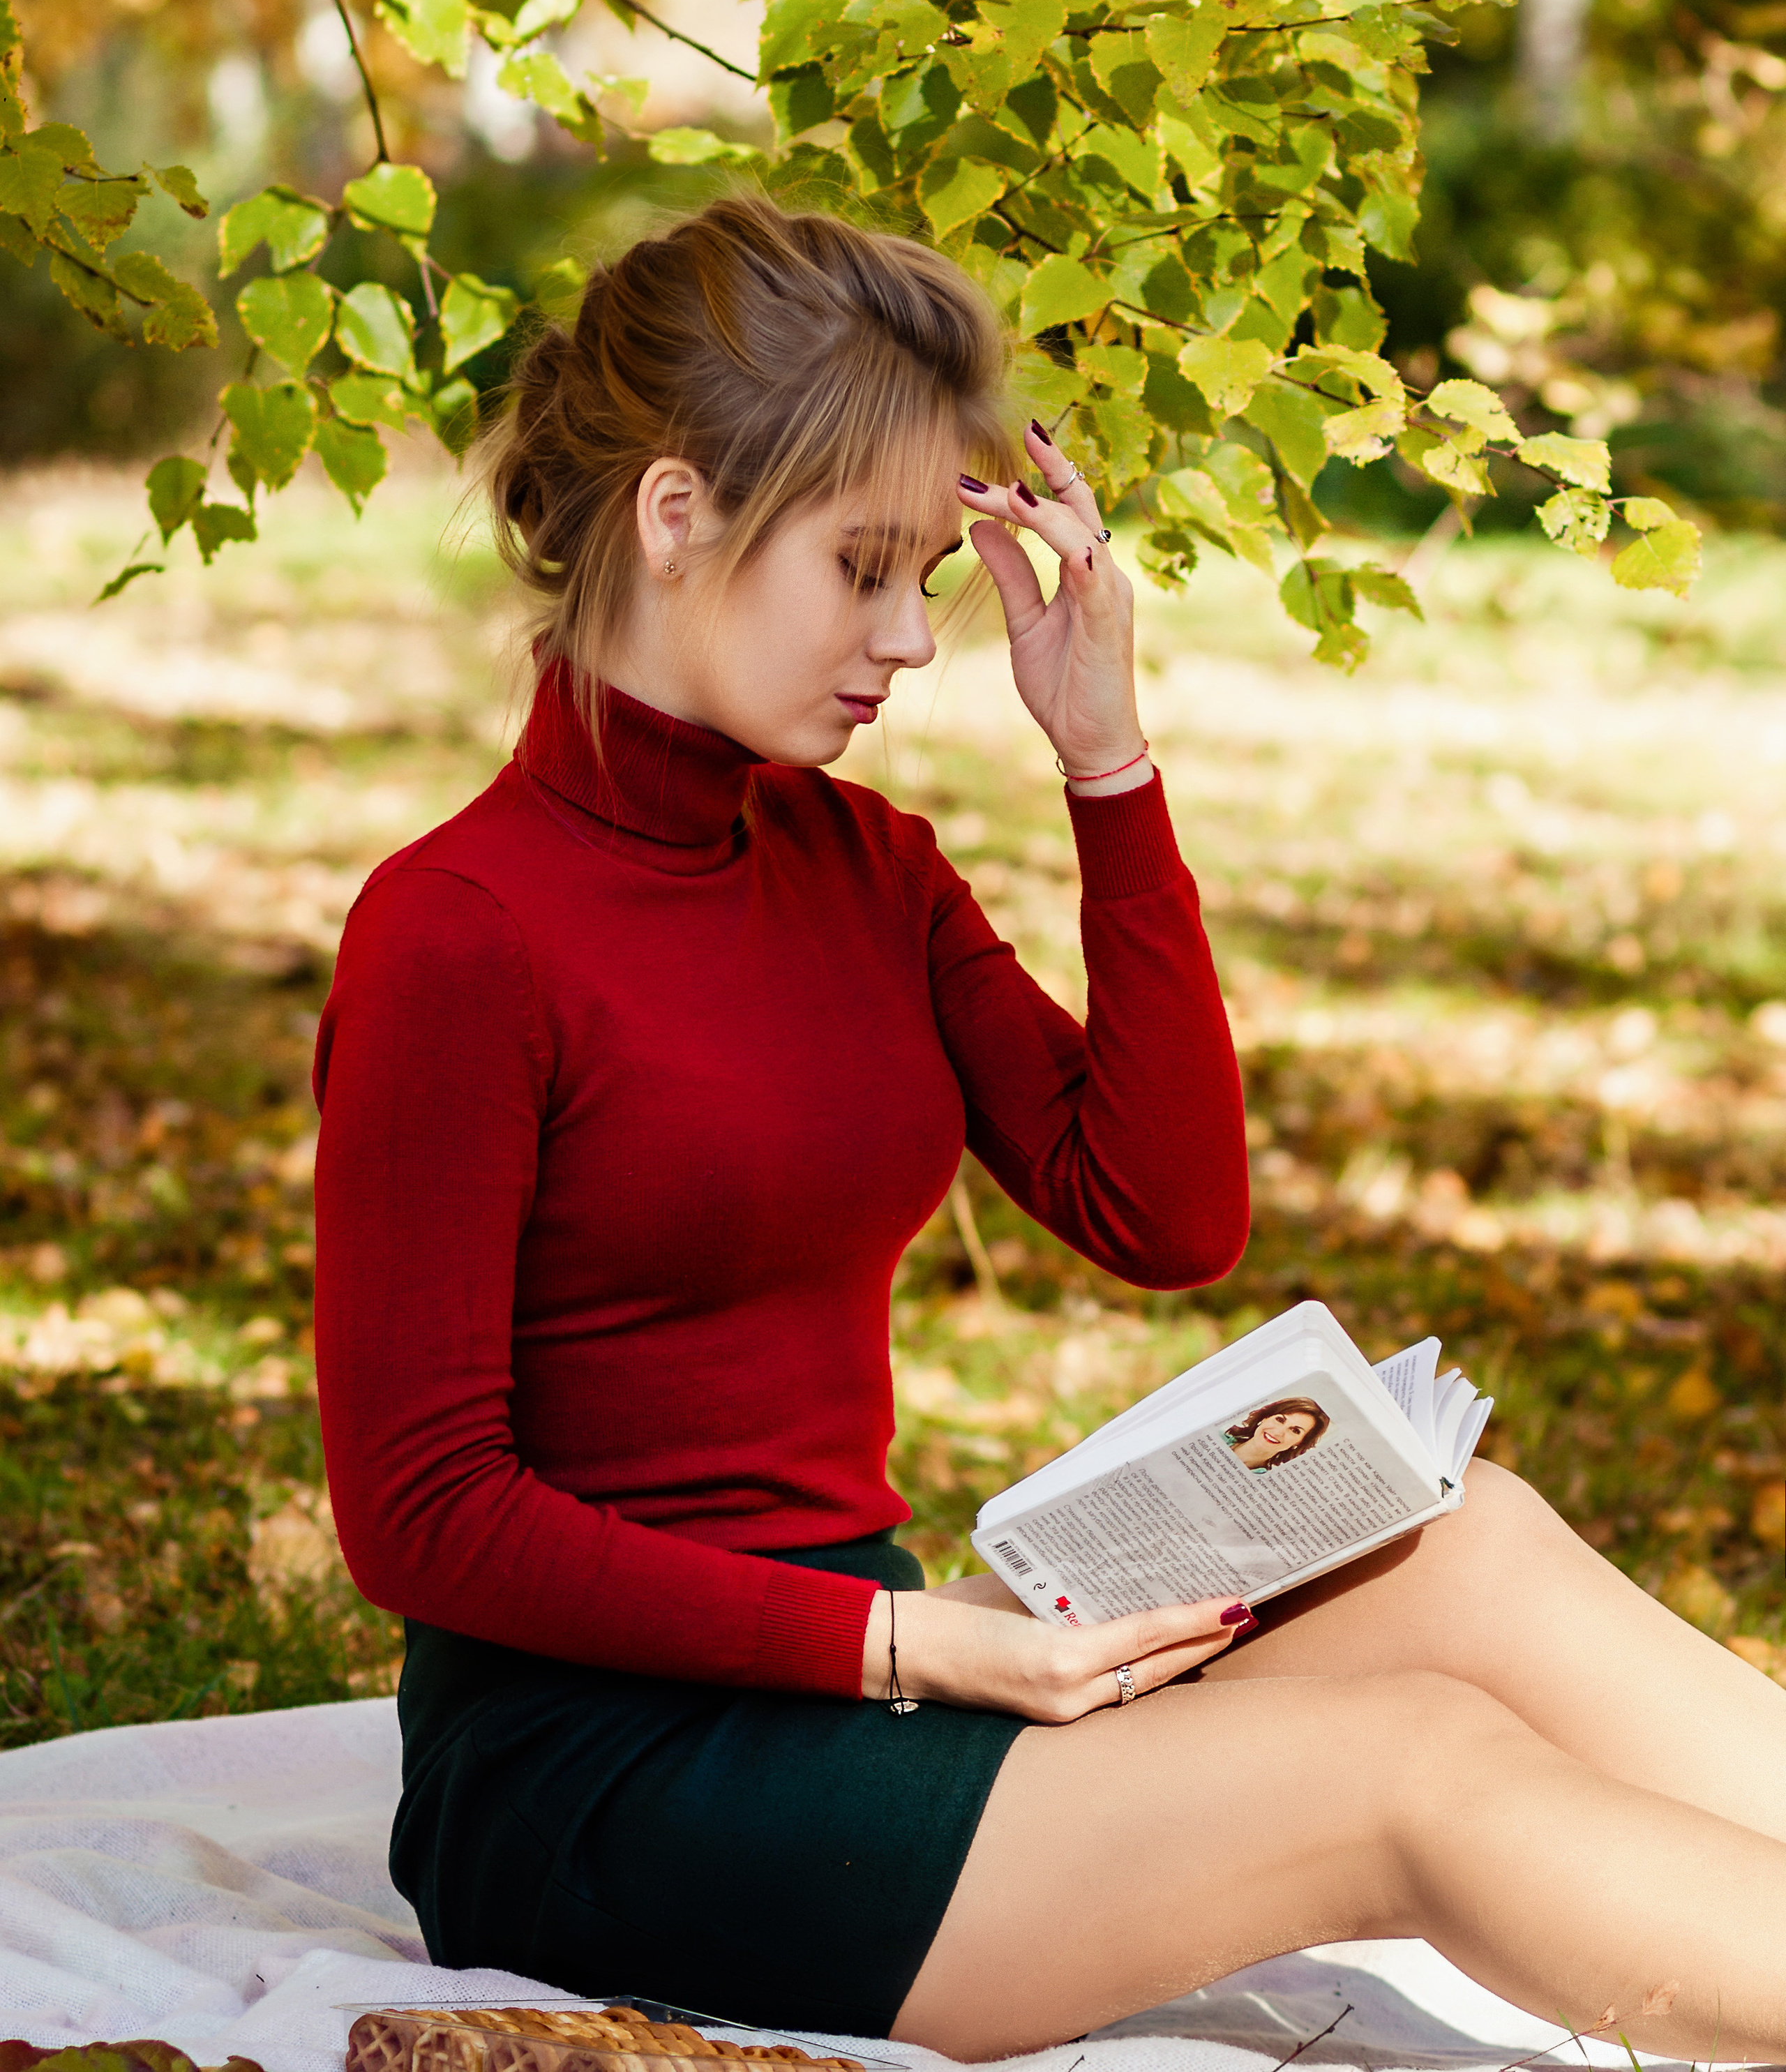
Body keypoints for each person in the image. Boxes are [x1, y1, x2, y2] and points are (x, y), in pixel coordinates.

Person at [313, 197, 1786, 2068]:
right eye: (863, 568)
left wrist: (1108, 760)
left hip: (866, 1670)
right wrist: (918, 1649)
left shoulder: (865, 864)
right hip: (603, 1776)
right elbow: (423, 1514)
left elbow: (1166, 1210)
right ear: (674, 517)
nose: (912, 641)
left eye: (924, 572)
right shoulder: (459, 930)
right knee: (1410, 1767)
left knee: (1460, 1542)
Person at [1223, 1399, 1329, 1469]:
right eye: (1280, 1420)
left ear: (1300, 1442)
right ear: (1265, 1418)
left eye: (1295, 1431)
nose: (1278, 1432)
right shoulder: (1218, 1436)